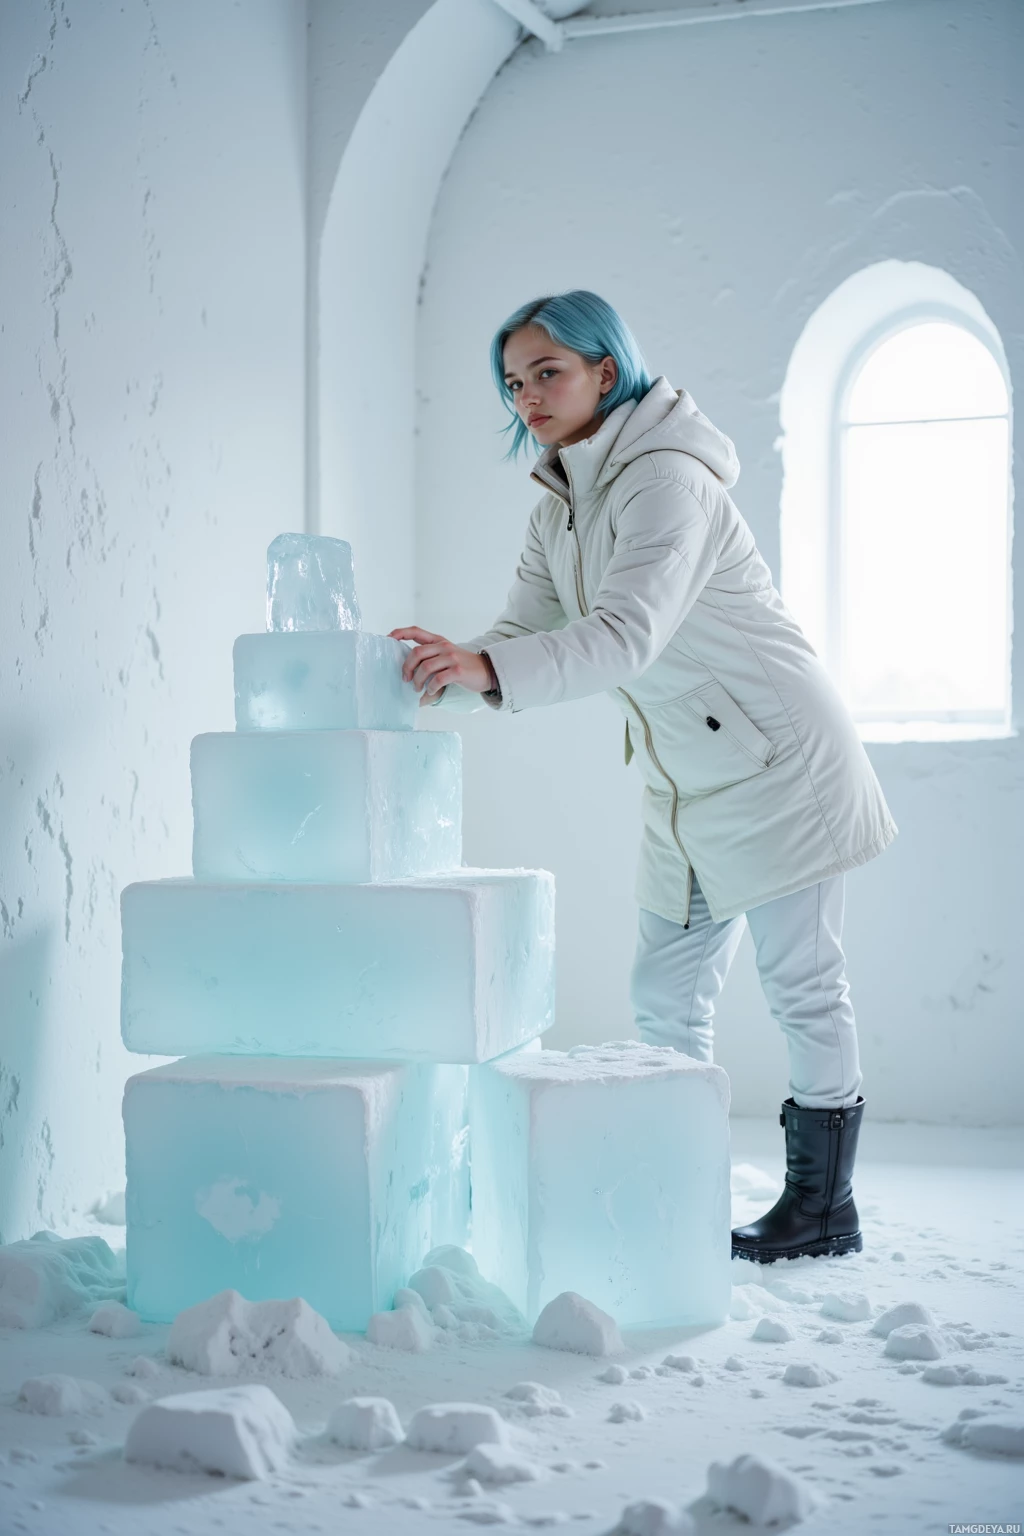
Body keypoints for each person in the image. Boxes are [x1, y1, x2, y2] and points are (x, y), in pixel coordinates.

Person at [389, 290, 897, 1265]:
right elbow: (525, 633)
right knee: (663, 994)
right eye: (512, 382)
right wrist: (432, 680)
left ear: (605, 371)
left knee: (801, 986)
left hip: (778, 759)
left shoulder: (669, 478)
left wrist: (485, 671)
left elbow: (624, 635)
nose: (527, 396)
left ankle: (821, 1209)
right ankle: (679, 1180)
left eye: (547, 372)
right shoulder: (561, 499)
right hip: (683, 774)